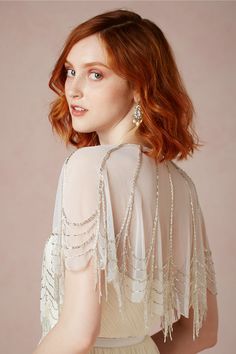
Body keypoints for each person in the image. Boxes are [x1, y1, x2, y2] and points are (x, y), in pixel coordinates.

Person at [32, 9, 218, 354]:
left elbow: (77, 333)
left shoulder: (89, 167)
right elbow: (201, 332)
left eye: (96, 75)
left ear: (138, 86)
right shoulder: (182, 185)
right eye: (71, 71)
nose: (73, 88)